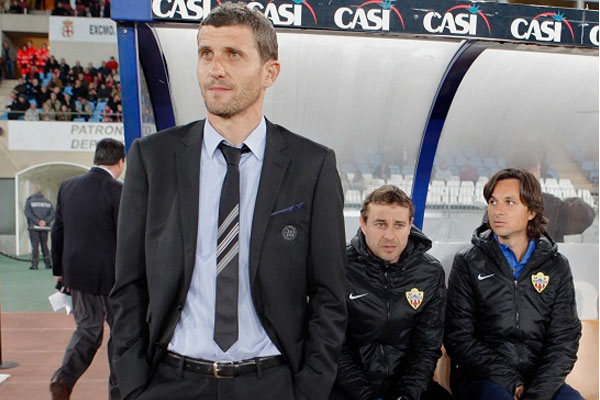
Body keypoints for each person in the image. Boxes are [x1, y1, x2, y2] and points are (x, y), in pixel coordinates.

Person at [109, 3, 347, 400]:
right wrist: (133, 386)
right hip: (171, 381)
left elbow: (329, 294)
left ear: (270, 71)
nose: (215, 69)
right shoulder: (152, 158)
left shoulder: (312, 165)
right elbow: (128, 287)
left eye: (233, 55)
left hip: (270, 384)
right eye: (206, 54)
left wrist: (309, 389)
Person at [444, 168, 582, 400]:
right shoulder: (468, 262)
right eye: (493, 201)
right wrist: (511, 381)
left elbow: (565, 339)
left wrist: (537, 393)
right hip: (483, 377)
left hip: (540, 379)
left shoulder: (556, 265)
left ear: (531, 211)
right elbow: (459, 337)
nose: (497, 210)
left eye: (509, 202)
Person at [332, 185, 450, 400]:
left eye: (398, 225)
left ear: (410, 225)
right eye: (380, 224)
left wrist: (406, 395)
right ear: (363, 224)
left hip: (408, 388)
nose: (389, 235)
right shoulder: (338, 267)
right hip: (349, 389)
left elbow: (426, 347)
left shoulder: (430, 272)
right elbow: (335, 347)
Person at [50, 138, 125, 400]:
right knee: (121, 336)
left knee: (88, 329)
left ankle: (64, 378)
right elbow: (126, 237)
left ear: (96, 158)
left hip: (78, 275)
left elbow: (57, 231)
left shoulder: (67, 187)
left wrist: (60, 270)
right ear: (120, 162)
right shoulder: (119, 191)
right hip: (114, 278)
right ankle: (117, 393)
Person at [24, 185, 54, 269]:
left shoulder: (30, 201)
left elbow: (28, 213)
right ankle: (48, 264)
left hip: (34, 227)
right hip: (45, 227)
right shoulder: (47, 202)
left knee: (35, 246)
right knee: (45, 245)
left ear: (33, 192)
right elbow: (52, 214)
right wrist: (44, 221)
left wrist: (37, 221)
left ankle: (34, 265)